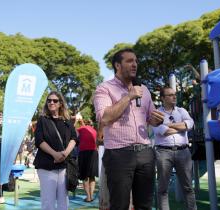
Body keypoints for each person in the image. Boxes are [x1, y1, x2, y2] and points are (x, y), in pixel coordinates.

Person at [93, 48, 164, 210]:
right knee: (119, 205)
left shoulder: (144, 90)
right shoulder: (104, 89)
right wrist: (128, 97)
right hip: (118, 154)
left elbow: (150, 118)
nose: (135, 64)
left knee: (145, 205)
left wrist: (156, 120)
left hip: (145, 153)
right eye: (129, 61)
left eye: (136, 61)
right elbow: (104, 117)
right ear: (117, 65)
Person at [152, 87, 197, 210]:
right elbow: (163, 132)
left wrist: (168, 125)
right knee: (162, 189)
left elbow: (189, 124)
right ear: (162, 98)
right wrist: (180, 126)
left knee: (188, 187)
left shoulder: (182, 111)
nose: (174, 97)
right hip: (163, 153)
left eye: (174, 94)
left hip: (184, 151)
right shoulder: (156, 113)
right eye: (170, 95)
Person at [33, 91, 78, 210]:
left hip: (64, 166)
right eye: (49, 100)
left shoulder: (67, 121)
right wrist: (55, 154)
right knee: (48, 202)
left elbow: (74, 138)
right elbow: (39, 140)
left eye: (55, 100)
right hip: (46, 165)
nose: (51, 102)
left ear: (60, 104)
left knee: (64, 202)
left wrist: (65, 153)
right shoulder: (43, 120)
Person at [77, 119, 98, 202]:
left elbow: (74, 131)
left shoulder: (81, 129)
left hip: (84, 153)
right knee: (92, 176)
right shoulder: (94, 131)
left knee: (85, 176)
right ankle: (91, 196)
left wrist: (78, 121)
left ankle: (88, 197)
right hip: (94, 152)